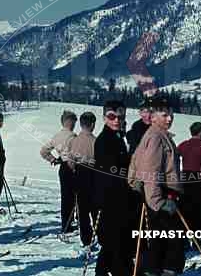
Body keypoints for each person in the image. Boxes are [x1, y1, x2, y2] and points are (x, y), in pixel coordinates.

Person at [130, 96, 185, 276]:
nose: (169, 119)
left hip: (165, 197)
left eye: (171, 115)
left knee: (163, 246)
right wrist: (158, 203)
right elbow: (150, 172)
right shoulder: (155, 137)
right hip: (162, 200)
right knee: (167, 247)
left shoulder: (159, 135)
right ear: (153, 117)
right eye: (164, 115)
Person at [92, 100, 133, 276]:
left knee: (113, 244)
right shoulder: (105, 140)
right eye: (112, 116)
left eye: (120, 116)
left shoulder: (117, 137)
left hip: (117, 198)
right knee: (114, 243)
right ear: (104, 118)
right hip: (112, 199)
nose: (116, 120)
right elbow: (111, 173)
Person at [40, 110, 77, 234]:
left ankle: (65, 224)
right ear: (70, 122)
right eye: (74, 121)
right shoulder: (73, 136)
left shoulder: (56, 136)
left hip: (63, 167)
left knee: (65, 197)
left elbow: (43, 151)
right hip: (73, 167)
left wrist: (53, 159)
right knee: (76, 196)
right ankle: (73, 222)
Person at [177, 121, 201, 251]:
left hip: (185, 178)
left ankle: (184, 239)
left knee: (186, 208)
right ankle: (197, 241)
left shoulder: (183, 145)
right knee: (200, 211)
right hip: (198, 180)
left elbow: (175, 156)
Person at [66, 111, 97, 247]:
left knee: (82, 210)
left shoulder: (74, 140)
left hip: (79, 174)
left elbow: (70, 161)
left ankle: (86, 239)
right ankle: (99, 235)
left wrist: (75, 169)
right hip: (93, 175)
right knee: (96, 208)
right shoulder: (96, 141)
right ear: (92, 124)